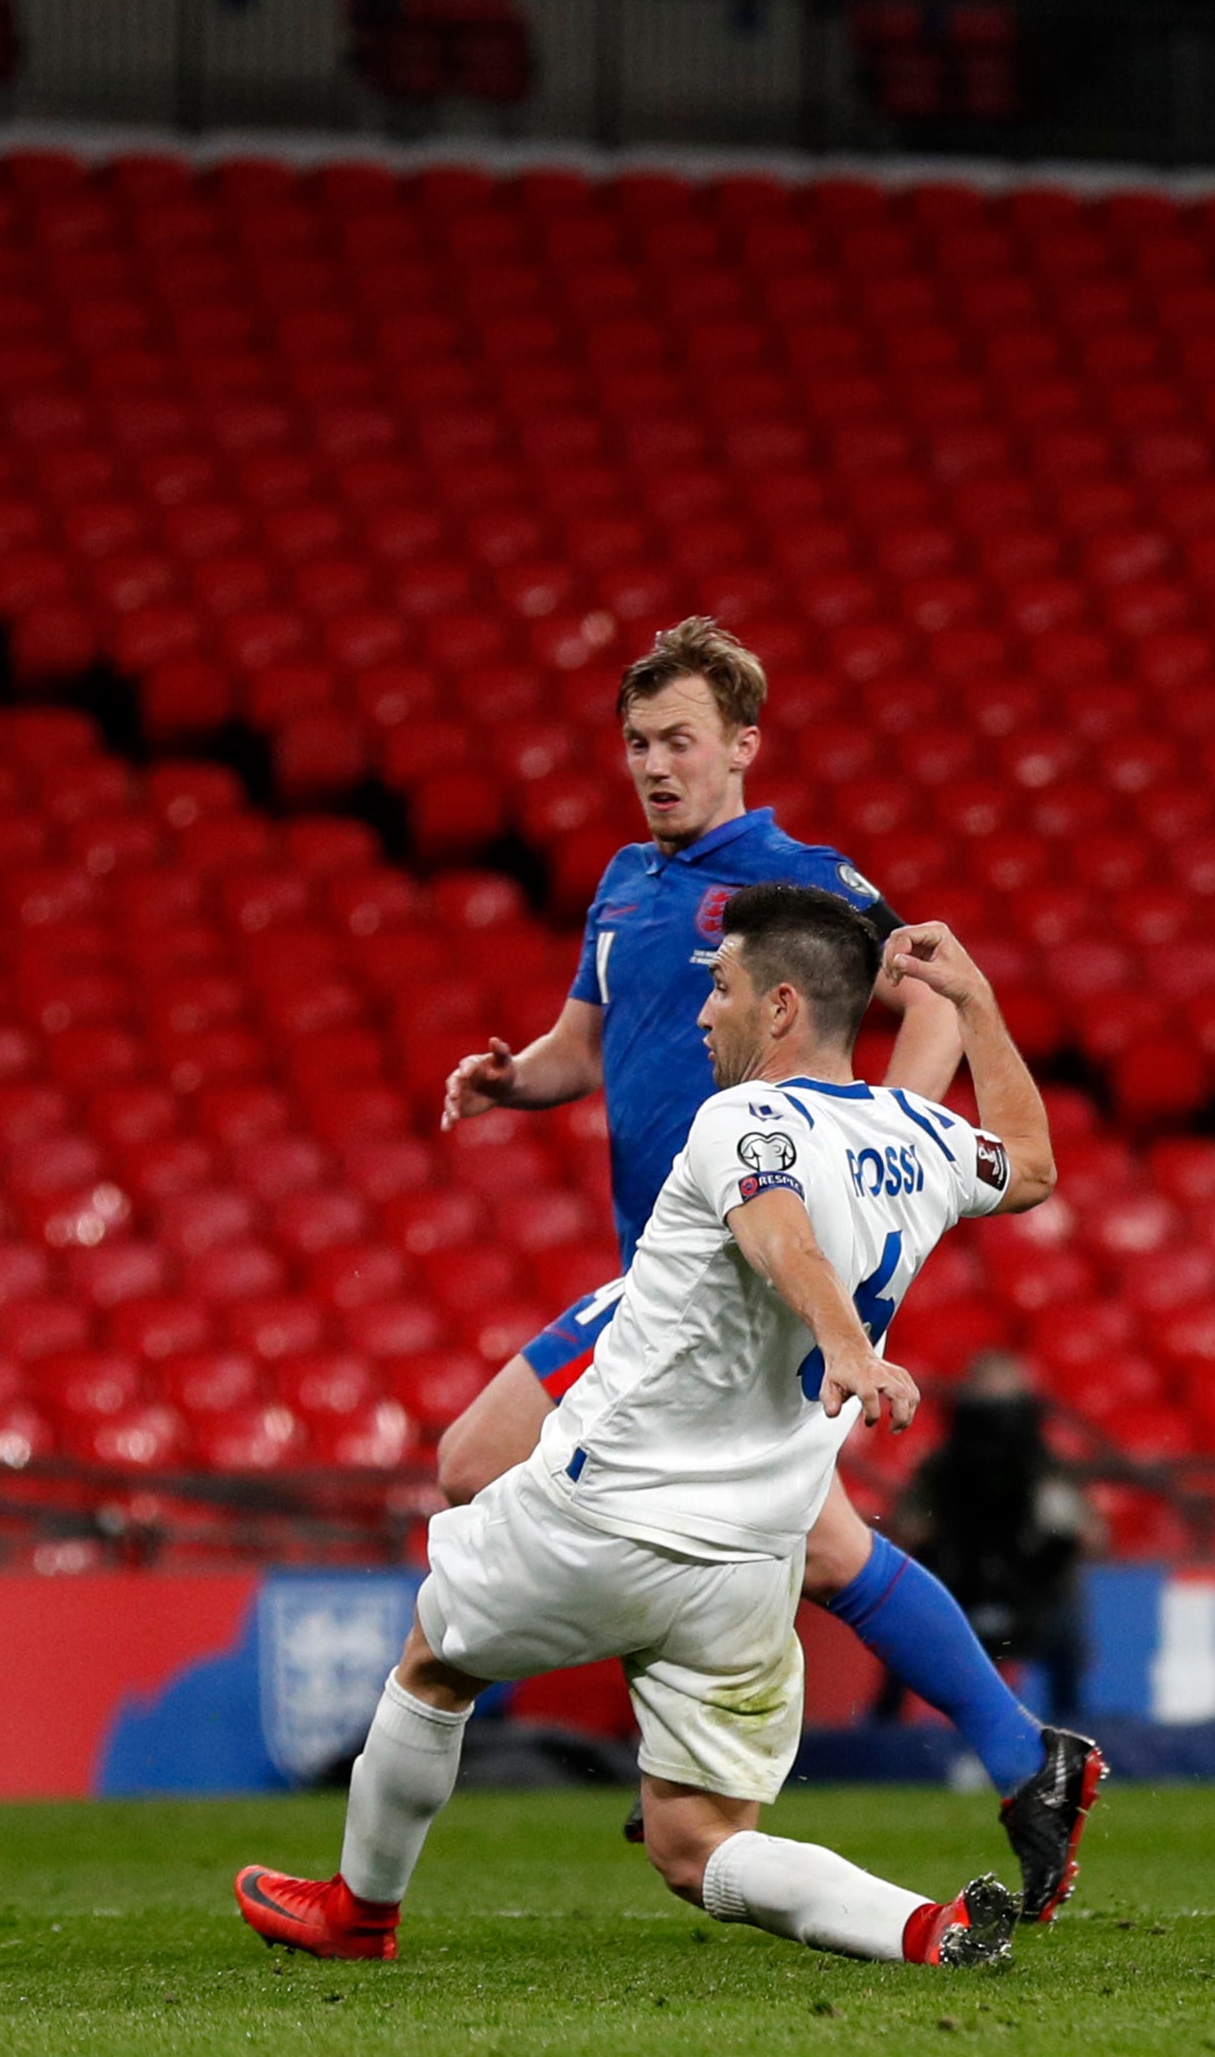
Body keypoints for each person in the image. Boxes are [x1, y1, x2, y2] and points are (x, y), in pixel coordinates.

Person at [236, 892, 1056, 1969]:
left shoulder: (738, 1122)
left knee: (434, 1666)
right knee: (697, 1842)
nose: (701, 1016)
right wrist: (978, 1004)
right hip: (749, 1564)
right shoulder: (921, 1137)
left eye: (717, 989)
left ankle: (360, 1913)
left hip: (599, 1515)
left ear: (779, 1007)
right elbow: (1032, 1167)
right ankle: (926, 1928)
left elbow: (780, 1233)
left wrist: (846, 1344)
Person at [432, 617, 1103, 1919]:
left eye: (680, 738)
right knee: (825, 1548)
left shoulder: (806, 882)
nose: (655, 764)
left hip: (730, 1270)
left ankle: (479, 1737)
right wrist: (518, 1078)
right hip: (672, 1268)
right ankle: (1030, 1762)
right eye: (636, 742)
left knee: (475, 1463)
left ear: (742, 742)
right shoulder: (624, 885)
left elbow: (934, 999)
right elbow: (587, 1041)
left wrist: (880, 1155)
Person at [882, 1353, 1093, 1723]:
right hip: (954, 1590)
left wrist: (1053, 1534)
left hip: (1033, 1596)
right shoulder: (940, 1469)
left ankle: (1072, 1728)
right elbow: (908, 1526)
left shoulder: (1046, 1468)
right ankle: (879, 1735)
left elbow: (1089, 1534)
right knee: (903, 1619)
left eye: (1006, 1407)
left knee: (1068, 1626)